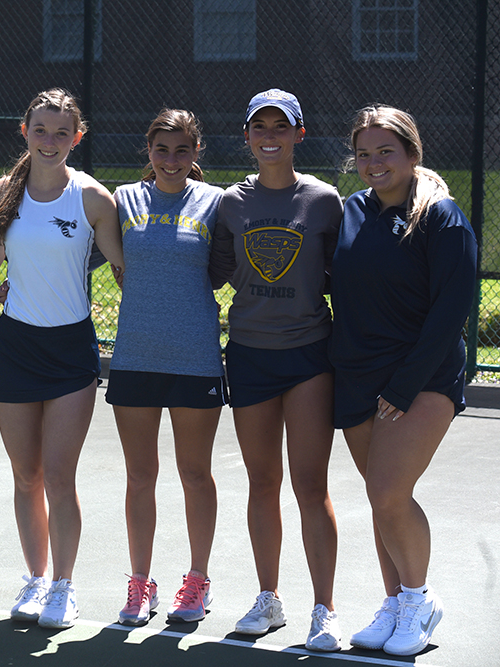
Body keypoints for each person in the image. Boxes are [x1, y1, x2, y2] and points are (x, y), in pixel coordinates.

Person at [330, 106, 476, 656]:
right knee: (380, 498)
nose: (374, 163)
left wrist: (403, 385)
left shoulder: (441, 217)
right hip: (356, 376)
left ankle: (419, 601)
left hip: (421, 378)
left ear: (412, 154)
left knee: (389, 493)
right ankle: (394, 604)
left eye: (385, 151)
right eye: (364, 154)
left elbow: (451, 312)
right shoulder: (352, 210)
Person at [0, 88, 125, 629]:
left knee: (60, 477)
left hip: (70, 353)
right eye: (40, 130)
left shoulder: (92, 199)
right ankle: (36, 579)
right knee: (26, 475)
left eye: (61, 132)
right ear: (25, 132)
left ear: (76, 138)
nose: (49, 140)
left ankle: (63, 586)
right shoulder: (3, 192)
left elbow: (124, 270)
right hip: (15, 347)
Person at [208, 89, 343, 651]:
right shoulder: (229, 203)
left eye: (280, 126)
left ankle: (324, 610)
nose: (269, 136)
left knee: (311, 485)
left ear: (298, 134)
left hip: (309, 356)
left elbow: (344, 276)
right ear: (246, 136)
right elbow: (210, 271)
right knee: (262, 483)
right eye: (259, 126)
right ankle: (269, 598)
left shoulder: (325, 200)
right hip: (249, 355)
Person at [107, 109, 226, 626]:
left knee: (195, 473)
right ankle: (140, 582)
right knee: (140, 476)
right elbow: (79, 250)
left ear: (196, 152)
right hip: (134, 356)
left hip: (195, 359)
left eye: (182, 150)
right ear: (149, 150)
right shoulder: (123, 199)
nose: (171, 160)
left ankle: (197, 581)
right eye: (162, 149)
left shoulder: (216, 202)